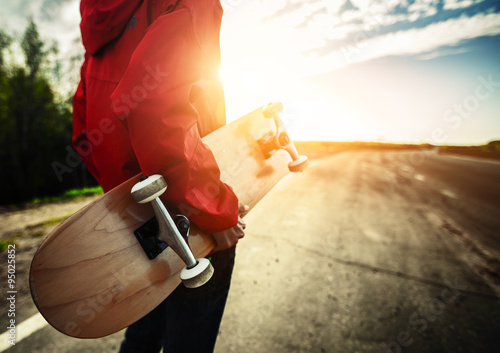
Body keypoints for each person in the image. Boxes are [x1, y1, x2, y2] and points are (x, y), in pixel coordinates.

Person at [72, 0, 246, 352]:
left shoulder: (100, 24)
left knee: (143, 335)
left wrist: (127, 199)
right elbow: (152, 101)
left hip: (138, 221)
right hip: (192, 217)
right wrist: (210, 206)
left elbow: (83, 133)